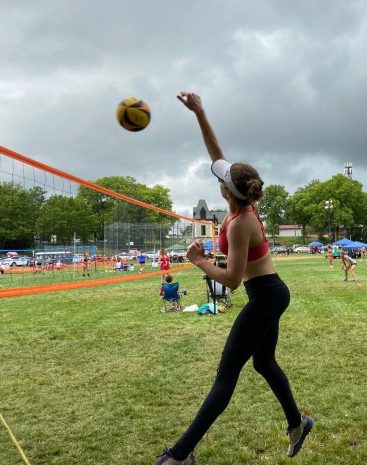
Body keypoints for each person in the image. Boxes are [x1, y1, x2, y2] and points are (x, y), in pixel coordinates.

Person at [152, 91, 313, 465]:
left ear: (227, 190)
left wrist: (198, 262)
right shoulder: (242, 203)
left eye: (222, 178)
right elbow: (215, 153)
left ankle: (180, 455)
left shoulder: (241, 223)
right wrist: (200, 112)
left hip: (265, 296)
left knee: (226, 375)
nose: (218, 176)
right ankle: (298, 422)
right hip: (270, 293)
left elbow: (233, 280)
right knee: (263, 363)